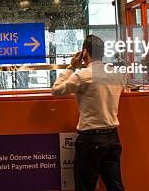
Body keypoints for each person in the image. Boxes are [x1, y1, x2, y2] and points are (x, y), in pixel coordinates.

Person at [51, 35, 125, 191]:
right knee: (115, 186)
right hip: (113, 138)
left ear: (84, 52)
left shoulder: (82, 75)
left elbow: (56, 90)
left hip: (90, 139)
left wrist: (71, 67)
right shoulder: (117, 74)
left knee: (85, 187)